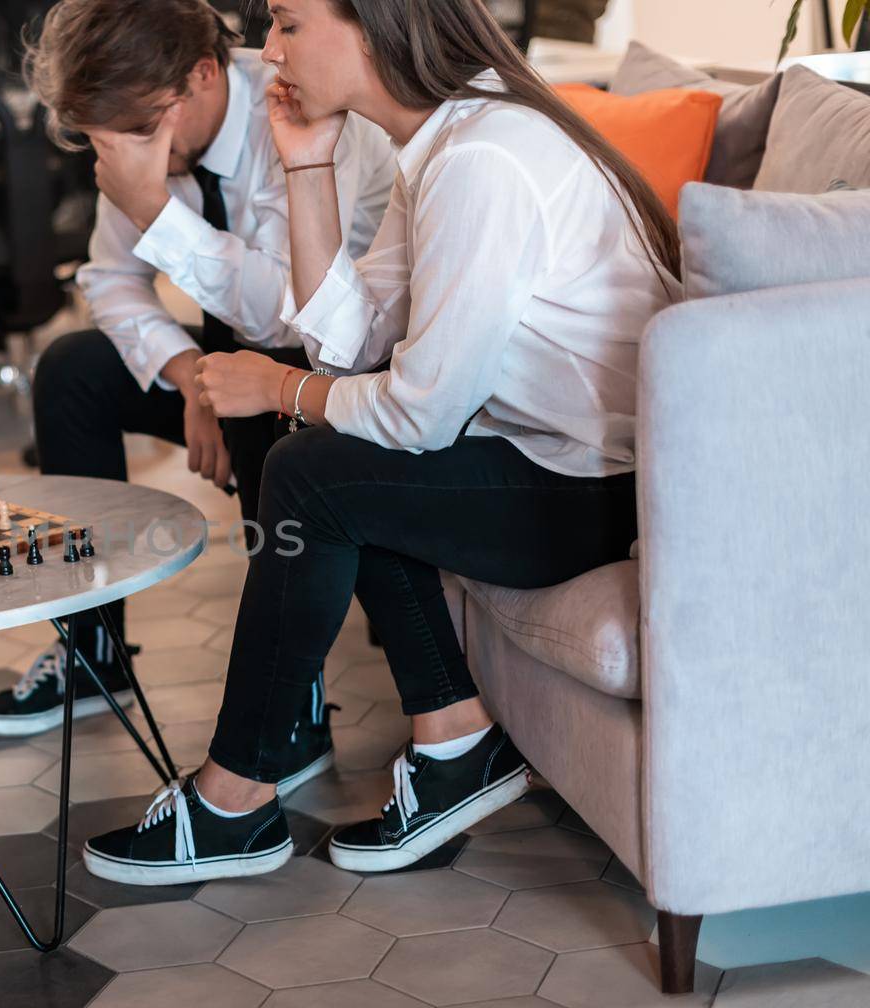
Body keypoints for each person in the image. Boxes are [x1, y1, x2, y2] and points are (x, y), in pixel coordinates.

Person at [81, 0, 677, 885]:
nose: (268, 48)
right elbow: (347, 343)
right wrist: (307, 167)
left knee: (313, 467)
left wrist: (279, 386)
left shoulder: (481, 161)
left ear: (372, 25)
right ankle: (448, 744)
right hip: (541, 457)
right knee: (327, 457)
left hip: (597, 486)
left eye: (285, 23)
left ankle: (235, 798)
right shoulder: (438, 143)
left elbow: (417, 414)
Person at [0, 0, 396, 793]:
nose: (127, 156)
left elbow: (295, 315)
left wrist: (156, 211)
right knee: (70, 370)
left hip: (321, 374)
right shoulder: (139, 124)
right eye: (107, 140)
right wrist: (185, 376)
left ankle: (292, 705)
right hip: (228, 363)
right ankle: (93, 648)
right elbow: (110, 278)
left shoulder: (295, 114)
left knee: (266, 406)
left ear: (202, 74)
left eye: (136, 132)